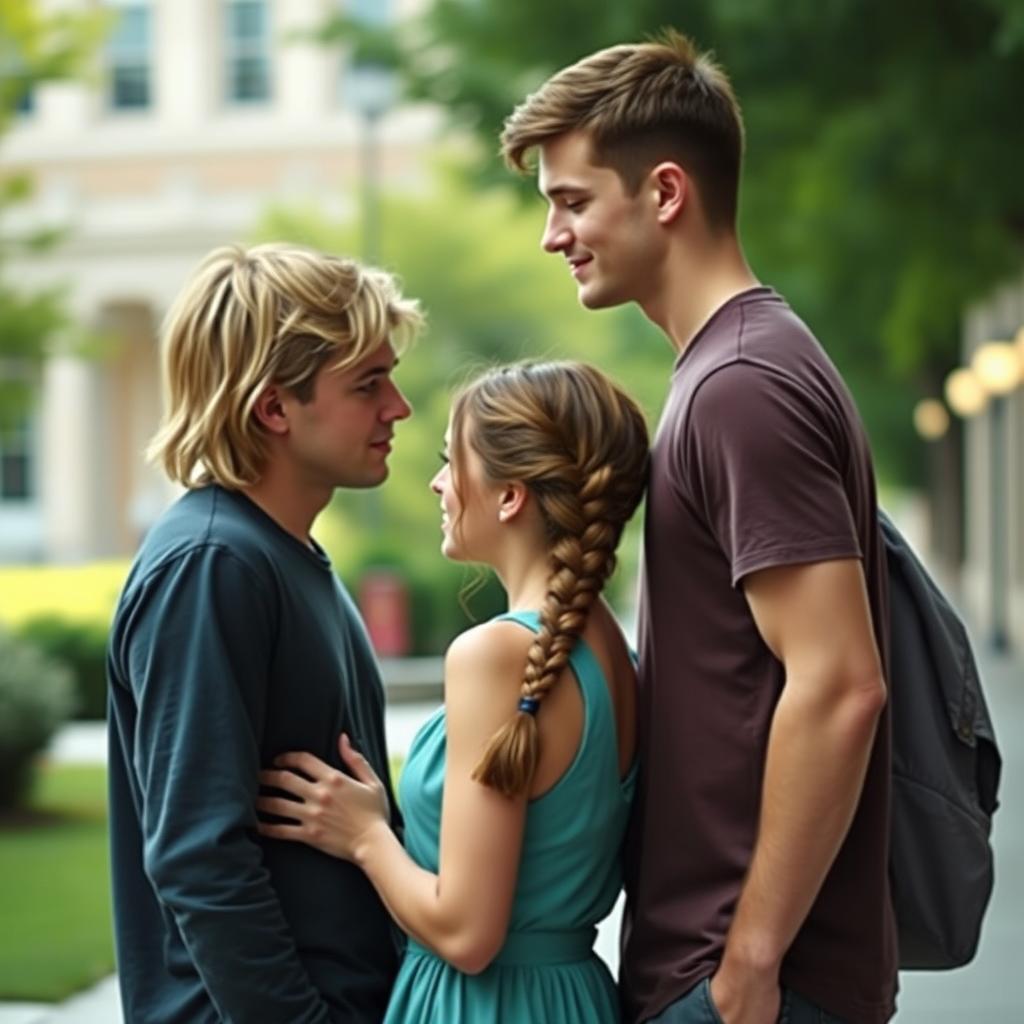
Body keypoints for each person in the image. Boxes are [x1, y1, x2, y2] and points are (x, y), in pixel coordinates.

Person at [500, 30, 896, 1024]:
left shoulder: (740, 387)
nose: (554, 235)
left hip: (750, 981)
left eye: (572, 201)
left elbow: (840, 683)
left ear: (665, 193)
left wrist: (749, 960)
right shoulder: (732, 368)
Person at [256, 360, 649, 1023]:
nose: (439, 483)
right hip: (575, 999)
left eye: (450, 461)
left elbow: (467, 935)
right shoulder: (613, 649)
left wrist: (365, 836)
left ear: (509, 496)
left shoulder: (495, 656)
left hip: (486, 1005)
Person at [106, 241, 422, 1023]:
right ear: (273, 407)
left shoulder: (285, 554)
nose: (399, 407)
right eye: (368, 383)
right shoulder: (214, 566)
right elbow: (199, 858)